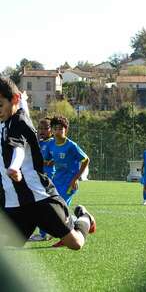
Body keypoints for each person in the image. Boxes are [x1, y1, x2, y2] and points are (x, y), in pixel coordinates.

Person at [0, 77, 95, 250]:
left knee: (75, 243)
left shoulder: (18, 123)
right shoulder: (10, 117)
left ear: (13, 100)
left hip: (39, 197)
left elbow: (18, 149)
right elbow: (21, 107)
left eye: (0, 105)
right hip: (13, 201)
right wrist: (24, 100)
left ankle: (85, 218)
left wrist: (14, 167)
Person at [44, 115, 89, 207]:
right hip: (56, 180)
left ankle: (83, 217)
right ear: (51, 130)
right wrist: (50, 162)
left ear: (66, 130)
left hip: (69, 182)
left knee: (60, 206)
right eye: (55, 128)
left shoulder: (71, 146)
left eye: (60, 129)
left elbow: (86, 160)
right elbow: (48, 160)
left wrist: (75, 179)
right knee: (54, 207)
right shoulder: (50, 144)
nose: (57, 131)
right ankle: (78, 216)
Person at [28, 117, 55, 241]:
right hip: (35, 178)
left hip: (47, 178)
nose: (42, 131)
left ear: (51, 130)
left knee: (42, 206)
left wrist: (48, 162)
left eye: (46, 128)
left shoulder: (52, 143)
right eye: (40, 128)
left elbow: (57, 158)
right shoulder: (38, 142)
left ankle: (44, 234)